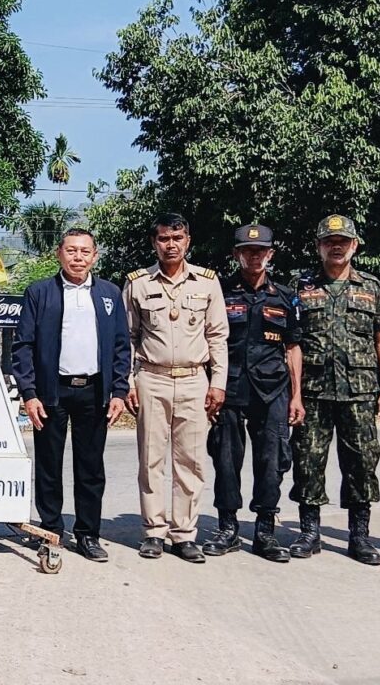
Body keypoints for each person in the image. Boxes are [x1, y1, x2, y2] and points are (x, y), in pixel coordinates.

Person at [12, 229, 131, 562]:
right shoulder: (39, 293)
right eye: (71, 250)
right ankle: (51, 529)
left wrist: (119, 390)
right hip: (52, 392)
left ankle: (88, 534)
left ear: (95, 256)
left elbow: (121, 346)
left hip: (94, 392)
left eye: (85, 251)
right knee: (48, 464)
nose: (78, 257)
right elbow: (23, 346)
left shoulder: (109, 293)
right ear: (59, 253)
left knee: (90, 468)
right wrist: (29, 393)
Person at [289, 214, 380, 565]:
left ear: (354, 245)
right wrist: (293, 393)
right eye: (329, 242)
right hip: (313, 391)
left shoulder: (372, 286)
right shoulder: (300, 286)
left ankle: (359, 536)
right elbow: (292, 343)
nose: (336, 247)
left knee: (362, 463)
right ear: (318, 247)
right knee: (307, 461)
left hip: (359, 392)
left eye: (343, 242)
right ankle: (309, 532)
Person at [123, 214, 228, 563]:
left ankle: (184, 534)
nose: (171, 245)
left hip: (194, 379)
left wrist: (218, 383)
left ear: (188, 241)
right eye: (164, 239)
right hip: (151, 378)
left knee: (190, 461)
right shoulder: (138, 283)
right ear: (154, 243)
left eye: (177, 238)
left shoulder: (207, 282)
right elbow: (128, 338)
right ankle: (154, 531)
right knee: (151, 459)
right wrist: (128, 382)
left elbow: (217, 336)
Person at [202, 225, 304, 563]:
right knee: (226, 459)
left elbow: (293, 347)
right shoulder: (219, 292)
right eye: (248, 250)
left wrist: (297, 397)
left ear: (270, 254)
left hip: (272, 390)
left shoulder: (284, 296)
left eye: (261, 250)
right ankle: (227, 528)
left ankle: (265, 531)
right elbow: (208, 341)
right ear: (237, 254)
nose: (254, 255)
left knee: (271, 461)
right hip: (230, 388)